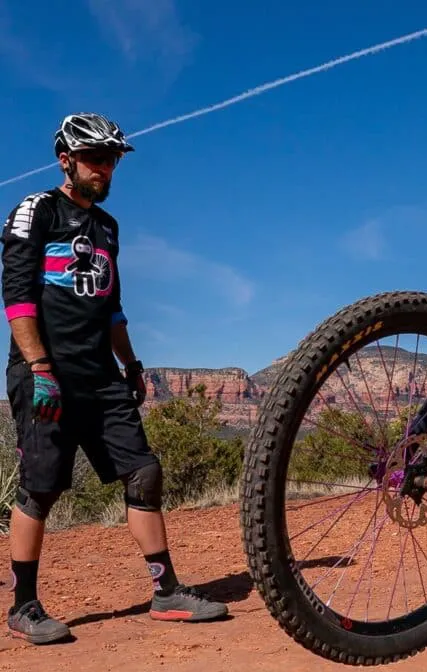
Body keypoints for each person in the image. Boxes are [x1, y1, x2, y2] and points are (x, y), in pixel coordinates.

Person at [1, 113, 228, 644]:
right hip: (45, 374)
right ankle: (23, 605)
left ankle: (166, 591)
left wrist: (131, 363)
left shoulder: (107, 227)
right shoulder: (37, 210)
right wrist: (38, 368)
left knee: (144, 472)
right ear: (67, 160)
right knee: (41, 486)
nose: (105, 169)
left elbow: (113, 308)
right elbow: (16, 297)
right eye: (96, 159)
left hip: (101, 375)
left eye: (111, 160)